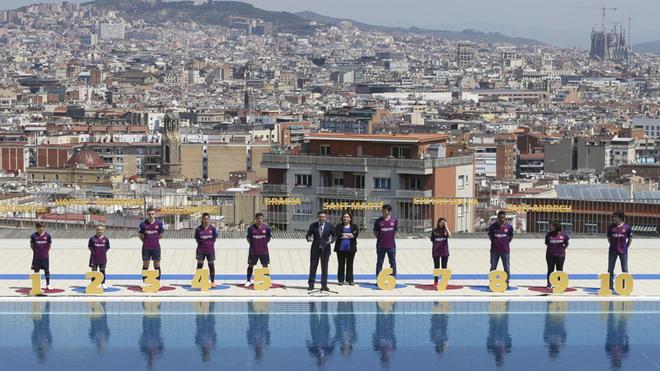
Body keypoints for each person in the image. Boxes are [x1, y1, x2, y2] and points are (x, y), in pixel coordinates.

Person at [306, 211, 337, 291]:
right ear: (318, 217)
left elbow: (335, 236)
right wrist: (308, 238)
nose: (322, 218)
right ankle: (311, 285)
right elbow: (308, 234)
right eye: (320, 216)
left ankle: (324, 285)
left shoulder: (329, 226)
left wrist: (331, 241)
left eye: (323, 217)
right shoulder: (313, 225)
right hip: (315, 249)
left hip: (325, 249)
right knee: (313, 267)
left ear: (326, 218)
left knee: (324, 268)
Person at [607, 210, 633, 290]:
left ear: (620, 218)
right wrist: (613, 244)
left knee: (624, 269)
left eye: (615, 217)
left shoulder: (627, 227)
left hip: (623, 251)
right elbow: (608, 238)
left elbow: (630, 239)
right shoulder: (611, 227)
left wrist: (626, 247)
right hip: (612, 250)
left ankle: (624, 285)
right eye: (613, 217)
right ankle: (610, 285)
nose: (613, 218)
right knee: (610, 268)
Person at [488, 211, 514, 287]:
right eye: (500, 218)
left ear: (505, 218)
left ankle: (506, 282)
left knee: (506, 267)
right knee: (493, 267)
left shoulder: (509, 227)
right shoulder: (492, 227)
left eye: (503, 218)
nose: (502, 219)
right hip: (494, 251)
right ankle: (492, 282)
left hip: (505, 251)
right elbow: (490, 236)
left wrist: (506, 242)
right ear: (497, 218)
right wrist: (495, 242)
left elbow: (511, 236)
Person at [245, 213, 272, 287]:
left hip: (264, 251)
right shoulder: (251, 228)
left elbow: (268, 238)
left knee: (265, 265)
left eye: (261, 218)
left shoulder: (267, 228)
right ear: (255, 219)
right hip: (253, 251)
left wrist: (263, 244)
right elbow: (248, 238)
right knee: (250, 265)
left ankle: (267, 280)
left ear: (263, 219)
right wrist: (254, 244)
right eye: (258, 218)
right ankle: (248, 281)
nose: (260, 220)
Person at [139, 207, 165, 281]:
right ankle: (145, 280)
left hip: (156, 247)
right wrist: (146, 241)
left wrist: (154, 239)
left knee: (156, 264)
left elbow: (161, 235)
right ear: (147, 214)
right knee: (145, 264)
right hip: (146, 248)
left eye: (152, 214)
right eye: (149, 214)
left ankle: (157, 281)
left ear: (155, 214)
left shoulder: (159, 223)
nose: (151, 215)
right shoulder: (143, 224)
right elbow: (140, 236)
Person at [334, 212, 359, 286]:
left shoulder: (354, 226)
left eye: (347, 217)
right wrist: (349, 235)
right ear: (342, 218)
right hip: (340, 249)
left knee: (350, 265)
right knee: (341, 265)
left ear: (350, 218)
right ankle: (340, 280)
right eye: (344, 217)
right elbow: (338, 235)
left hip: (351, 249)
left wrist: (344, 234)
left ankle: (350, 280)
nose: (346, 218)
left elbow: (355, 235)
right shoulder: (339, 226)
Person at [374, 204, 398, 279]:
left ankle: (393, 278)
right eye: (382, 210)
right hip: (381, 246)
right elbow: (375, 232)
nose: (383, 212)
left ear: (389, 211)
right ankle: (379, 278)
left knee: (392, 262)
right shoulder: (378, 221)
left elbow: (395, 231)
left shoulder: (394, 220)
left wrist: (390, 237)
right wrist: (380, 238)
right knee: (379, 262)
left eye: (385, 210)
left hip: (391, 246)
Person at [195, 213, 218, 287]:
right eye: (204, 219)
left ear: (209, 220)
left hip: (210, 250)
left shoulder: (213, 229)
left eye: (207, 219)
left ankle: (212, 282)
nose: (206, 220)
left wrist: (209, 244)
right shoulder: (198, 229)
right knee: (199, 266)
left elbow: (214, 239)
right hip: (201, 250)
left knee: (211, 265)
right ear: (202, 219)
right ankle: (198, 281)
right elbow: (197, 239)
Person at [544, 221, 569, 289]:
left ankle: (559, 283)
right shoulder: (549, 234)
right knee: (550, 270)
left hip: (560, 255)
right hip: (550, 255)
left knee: (559, 270)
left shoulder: (563, 234)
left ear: (556, 226)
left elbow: (566, 243)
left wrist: (563, 249)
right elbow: (546, 243)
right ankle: (549, 283)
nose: (550, 227)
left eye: (552, 226)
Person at [30, 222, 53, 290]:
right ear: (37, 228)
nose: (41, 228)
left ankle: (48, 284)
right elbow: (32, 246)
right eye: (39, 227)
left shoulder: (48, 236)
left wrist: (45, 252)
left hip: (45, 256)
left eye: (42, 227)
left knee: (47, 270)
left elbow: (49, 245)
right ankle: (36, 285)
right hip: (36, 257)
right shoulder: (33, 236)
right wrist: (36, 251)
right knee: (36, 271)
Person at [88, 224, 111, 290]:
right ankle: (93, 284)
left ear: (103, 231)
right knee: (94, 272)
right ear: (96, 230)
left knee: (102, 271)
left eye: (101, 230)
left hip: (102, 258)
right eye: (98, 230)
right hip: (94, 258)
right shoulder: (92, 239)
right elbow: (90, 247)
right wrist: (95, 253)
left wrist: (102, 253)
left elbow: (107, 248)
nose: (99, 231)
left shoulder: (106, 239)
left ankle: (103, 283)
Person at [431, 217, 451, 286]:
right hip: (436, 252)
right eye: (440, 222)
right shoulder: (434, 231)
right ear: (438, 223)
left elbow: (450, 235)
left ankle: (443, 282)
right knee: (436, 266)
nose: (441, 224)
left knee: (444, 267)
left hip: (444, 251)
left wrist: (446, 226)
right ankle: (436, 282)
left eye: (443, 222)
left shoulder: (446, 230)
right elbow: (433, 241)